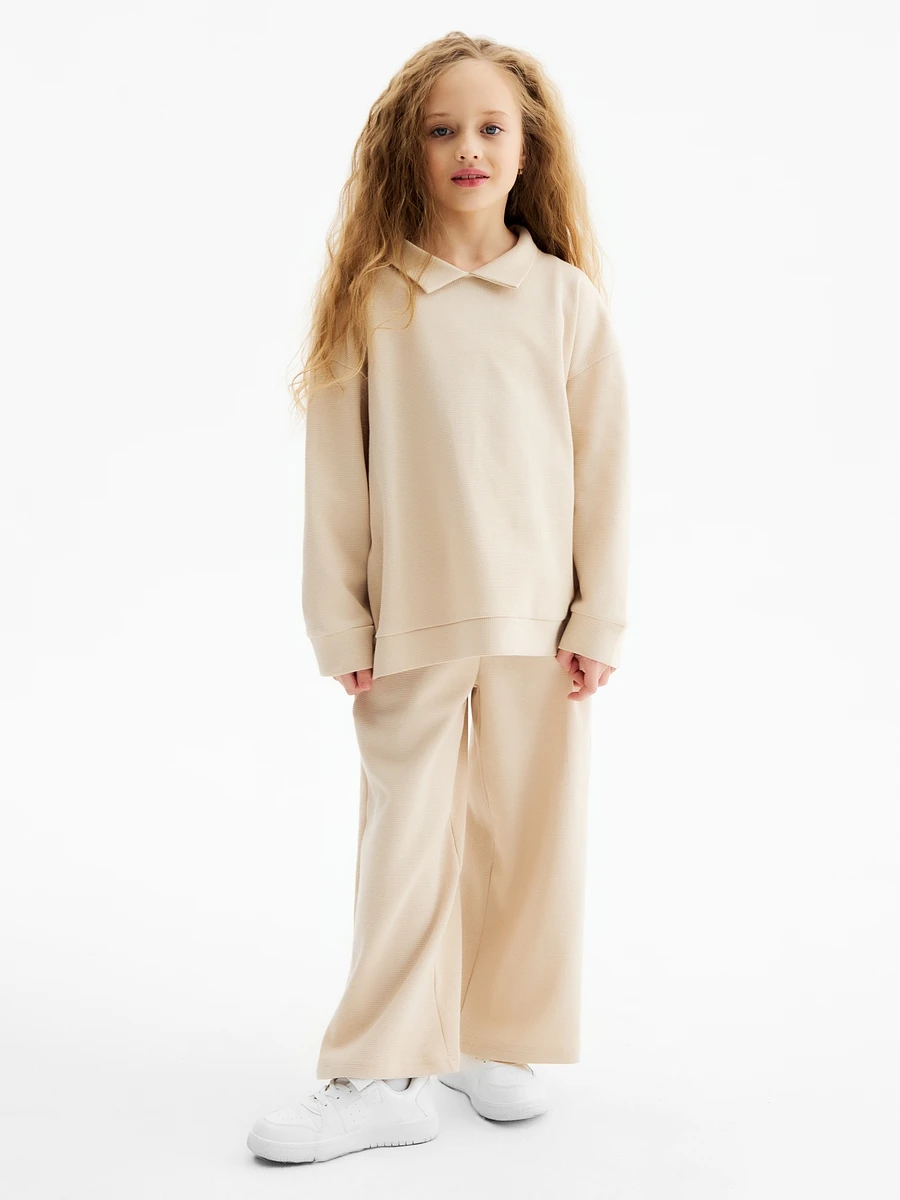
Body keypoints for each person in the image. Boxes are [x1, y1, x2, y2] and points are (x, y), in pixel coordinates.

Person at [247, 29, 631, 1165]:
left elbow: (606, 468)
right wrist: (340, 617)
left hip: (539, 627)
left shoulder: (565, 301)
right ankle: (379, 1070)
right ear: (406, 151)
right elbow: (337, 475)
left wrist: (599, 614)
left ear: (527, 151)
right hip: (411, 620)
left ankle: (487, 1036)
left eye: (491, 128)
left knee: (529, 837)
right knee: (404, 844)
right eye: (442, 128)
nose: (468, 147)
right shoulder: (373, 300)